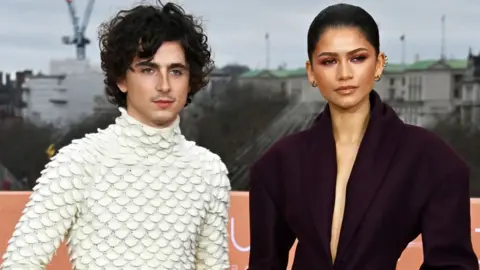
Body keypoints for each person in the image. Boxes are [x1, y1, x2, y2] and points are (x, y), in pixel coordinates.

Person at [1, 1, 231, 269]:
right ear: (122, 78)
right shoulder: (79, 162)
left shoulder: (209, 170)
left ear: (190, 80)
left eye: (176, 71)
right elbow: (20, 263)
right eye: (148, 69)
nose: (164, 85)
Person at [248, 3, 478, 270]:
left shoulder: (431, 160)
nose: (344, 74)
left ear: (379, 64)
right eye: (329, 61)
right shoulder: (277, 163)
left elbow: (452, 264)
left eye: (358, 58)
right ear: (311, 72)